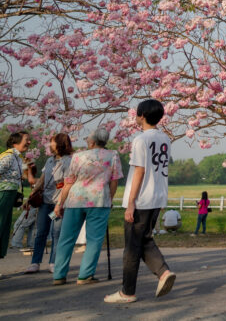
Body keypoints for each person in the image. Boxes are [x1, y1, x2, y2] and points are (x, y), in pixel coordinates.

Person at [105, 99, 176, 303]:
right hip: (157, 196)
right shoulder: (165, 139)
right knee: (144, 239)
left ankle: (127, 292)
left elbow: (139, 171)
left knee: (132, 247)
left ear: (142, 115)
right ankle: (163, 273)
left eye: (137, 113)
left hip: (142, 199)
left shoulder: (140, 140)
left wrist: (131, 202)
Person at [52, 127, 123, 285]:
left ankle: (59, 275)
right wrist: (109, 199)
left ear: (92, 142)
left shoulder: (77, 156)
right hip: (99, 200)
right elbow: (114, 181)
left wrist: (60, 203)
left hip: (75, 199)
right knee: (94, 239)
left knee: (66, 238)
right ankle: (85, 275)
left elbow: (69, 182)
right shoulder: (113, 156)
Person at [25, 133, 74, 274]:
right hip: (45, 202)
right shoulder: (49, 161)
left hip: (59, 203)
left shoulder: (68, 162)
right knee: (40, 232)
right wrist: (33, 193)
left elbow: (66, 184)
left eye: (52, 142)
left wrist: (60, 203)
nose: (50, 144)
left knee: (56, 233)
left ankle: (53, 262)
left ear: (59, 144)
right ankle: (35, 262)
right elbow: (42, 178)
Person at [1, 131, 34, 265]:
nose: (29, 142)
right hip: (3, 193)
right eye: (26, 139)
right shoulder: (9, 157)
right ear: (15, 142)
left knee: (4, 228)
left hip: (10, 194)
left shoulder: (17, 157)